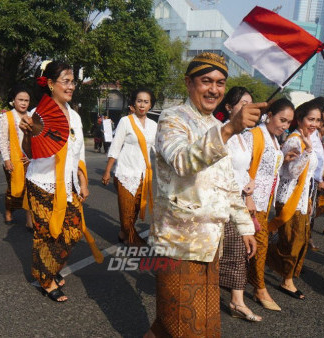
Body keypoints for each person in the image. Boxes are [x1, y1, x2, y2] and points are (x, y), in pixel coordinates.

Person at [145, 52, 262, 337]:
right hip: (179, 242)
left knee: (183, 321)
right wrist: (231, 128)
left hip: (210, 242)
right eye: (206, 81)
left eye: (220, 83)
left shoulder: (214, 126)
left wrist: (244, 225)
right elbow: (182, 161)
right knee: (186, 324)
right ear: (189, 83)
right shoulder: (173, 119)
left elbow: (228, 183)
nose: (214, 89)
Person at [20, 60, 102, 302]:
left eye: (72, 81)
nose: (71, 86)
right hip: (42, 183)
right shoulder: (37, 115)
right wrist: (28, 135)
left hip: (68, 186)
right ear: (50, 84)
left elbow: (79, 155)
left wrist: (83, 182)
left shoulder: (75, 117)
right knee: (47, 234)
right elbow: (30, 153)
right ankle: (45, 279)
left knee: (72, 232)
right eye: (65, 81)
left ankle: (50, 268)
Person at [213, 86, 262, 322]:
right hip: (220, 200)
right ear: (229, 106)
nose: (248, 107)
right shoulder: (221, 132)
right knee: (225, 249)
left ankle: (236, 300)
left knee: (237, 250)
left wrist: (250, 186)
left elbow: (244, 168)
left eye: (251, 103)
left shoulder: (246, 137)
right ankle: (223, 297)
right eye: (243, 103)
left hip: (239, 198)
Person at [267, 100, 321, 300]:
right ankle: (286, 280)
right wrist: (306, 152)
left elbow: (308, 175)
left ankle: (279, 269)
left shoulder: (308, 139)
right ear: (299, 119)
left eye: (317, 120)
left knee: (298, 240)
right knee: (292, 241)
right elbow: (290, 172)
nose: (314, 123)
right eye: (310, 119)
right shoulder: (295, 140)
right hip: (289, 196)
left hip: (301, 198)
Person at [245, 98, 295, 311]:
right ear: (269, 115)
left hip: (265, 202)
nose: (284, 125)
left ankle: (242, 283)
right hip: (250, 201)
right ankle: (259, 288)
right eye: (282, 119)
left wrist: (283, 159)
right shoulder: (254, 135)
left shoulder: (274, 140)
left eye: (288, 123)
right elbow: (243, 166)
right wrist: (246, 197)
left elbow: (267, 168)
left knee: (251, 245)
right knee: (261, 243)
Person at [102, 88, 157, 246]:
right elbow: (115, 146)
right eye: (139, 101)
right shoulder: (126, 121)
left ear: (150, 105)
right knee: (126, 211)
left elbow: (158, 150)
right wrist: (107, 171)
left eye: (146, 102)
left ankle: (123, 234)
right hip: (124, 172)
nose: (142, 105)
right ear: (134, 103)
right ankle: (134, 241)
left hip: (142, 174)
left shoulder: (153, 125)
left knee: (133, 211)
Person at [0, 85, 33, 230]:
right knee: (12, 190)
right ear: (14, 100)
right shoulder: (6, 117)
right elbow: (2, 140)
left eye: (26, 100)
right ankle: (8, 212)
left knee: (30, 190)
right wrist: (7, 161)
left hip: (29, 160)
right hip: (12, 160)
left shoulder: (32, 116)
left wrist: (32, 157)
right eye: (20, 100)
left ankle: (29, 221)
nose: (24, 103)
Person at [307, 96, 324, 251]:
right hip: (304, 183)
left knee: (308, 218)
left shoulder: (316, 136)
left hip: (313, 183)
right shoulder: (308, 134)